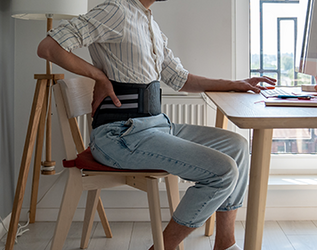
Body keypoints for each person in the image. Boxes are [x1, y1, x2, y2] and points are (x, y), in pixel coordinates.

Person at [37, 0, 276, 249]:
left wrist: (233, 83)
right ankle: (162, 247)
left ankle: (225, 244)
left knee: (236, 145)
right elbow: (49, 48)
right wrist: (98, 75)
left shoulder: (148, 22)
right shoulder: (115, 10)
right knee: (223, 170)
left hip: (155, 126)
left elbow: (180, 79)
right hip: (120, 135)